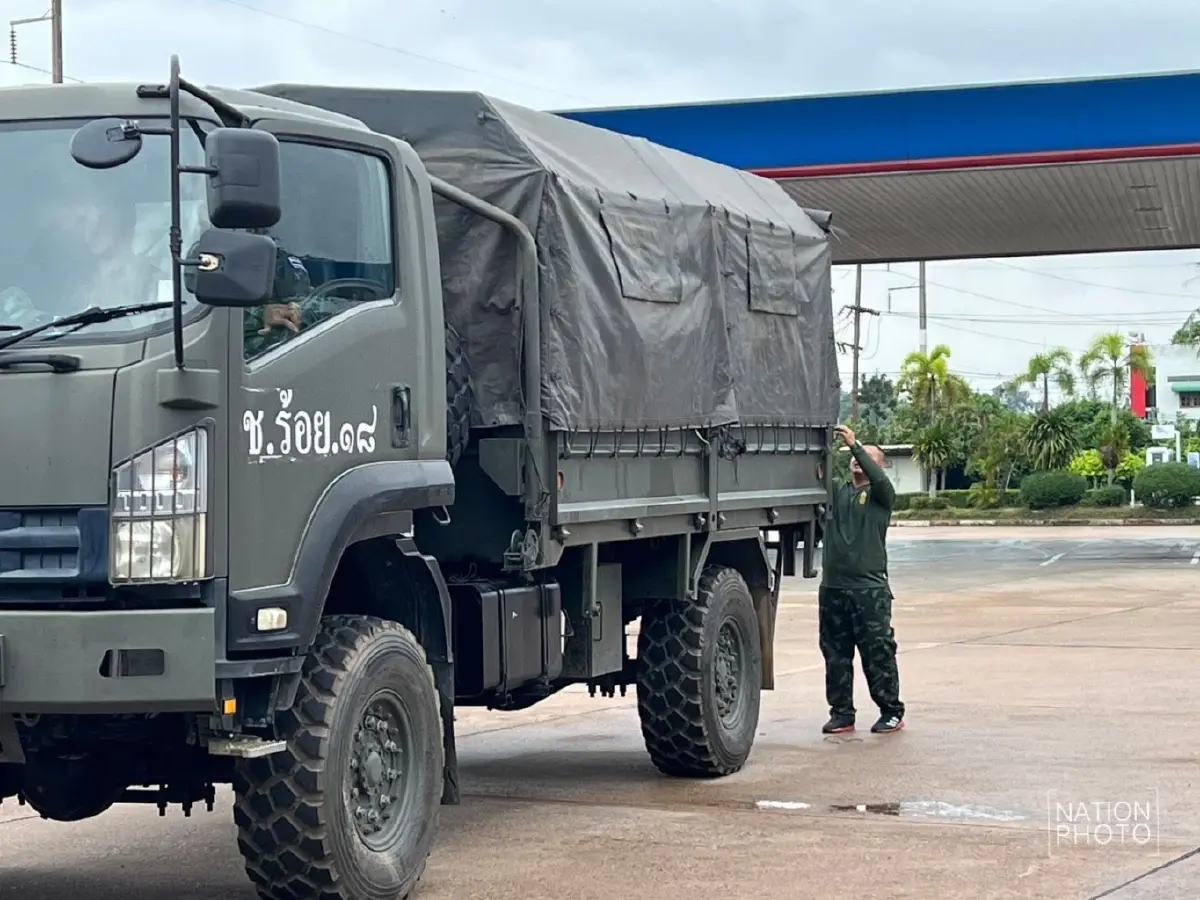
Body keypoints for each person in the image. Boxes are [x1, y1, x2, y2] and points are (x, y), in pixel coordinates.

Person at [818, 424, 905, 736]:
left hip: (869, 590)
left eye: (868, 457)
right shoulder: (839, 493)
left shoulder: (882, 495)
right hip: (833, 589)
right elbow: (819, 471)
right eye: (856, 455)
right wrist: (826, 444)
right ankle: (842, 713)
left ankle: (891, 711)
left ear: (878, 466)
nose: (858, 460)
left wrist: (855, 445)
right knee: (835, 655)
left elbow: (879, 478)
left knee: (877, 652)